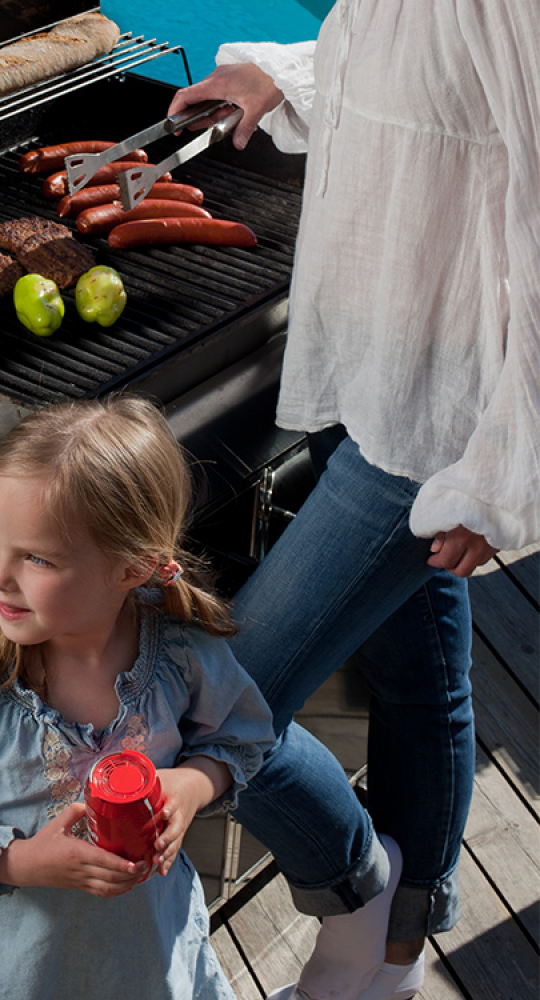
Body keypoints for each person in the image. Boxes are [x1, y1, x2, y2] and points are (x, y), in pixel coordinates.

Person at [167, 1, 539, 999]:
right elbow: (409, 66)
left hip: (441, 422)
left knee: (215, 710)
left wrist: (504, 470)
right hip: (382, 366)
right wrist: (285, 77)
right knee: (424, 684)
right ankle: (391, 962)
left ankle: (359, 891)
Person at [0, 396, 275, 999]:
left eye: (36, 557)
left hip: (142, 965)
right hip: (6, 974)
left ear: (132, 568)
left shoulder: (182, 657)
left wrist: (193, 784)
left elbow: (240, 736)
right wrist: (23, 862)